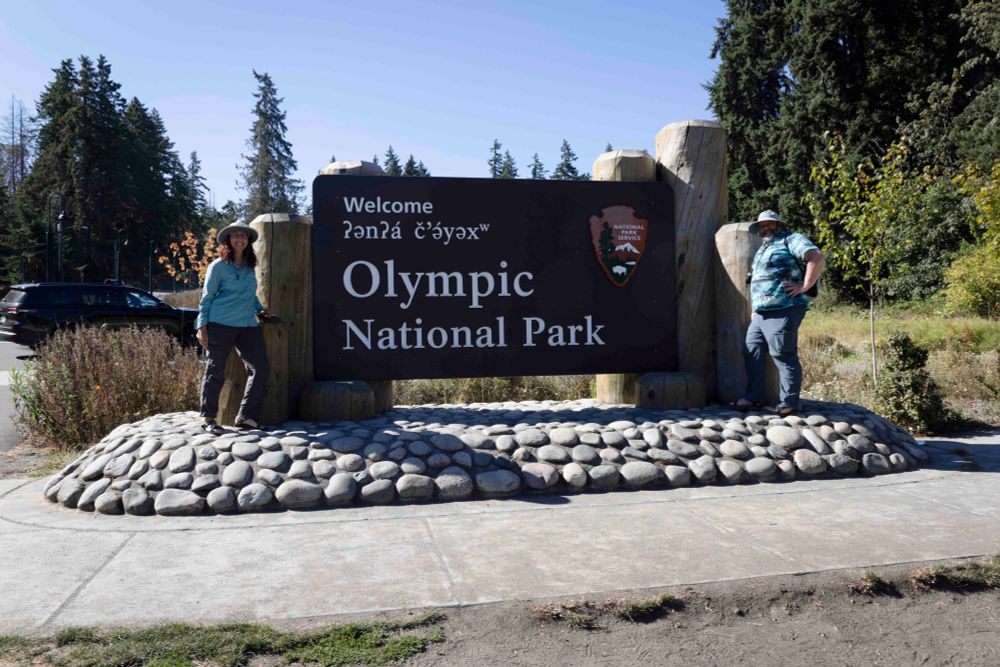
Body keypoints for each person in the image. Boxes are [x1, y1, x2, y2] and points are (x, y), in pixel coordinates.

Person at [736, 210, 824, 416]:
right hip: (761, 314)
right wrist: (756, 309)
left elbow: (816, 257)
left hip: (785, 308)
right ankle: (753, 398)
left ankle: (789, 403)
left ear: (779, 225)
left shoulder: (791, 240)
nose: (765, 227)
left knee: (783, 354)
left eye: (770, 224)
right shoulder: (763, 248)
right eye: (762, 225)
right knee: (752, 350)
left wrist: (805, 285)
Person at [196, 222, 271, 434]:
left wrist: (260, 309)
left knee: (261, 368)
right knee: (215, 370)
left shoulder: (249, 266)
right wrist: (201, 325)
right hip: (220, 324)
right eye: (235, 235)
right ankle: (209, 418)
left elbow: (249, 294)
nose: (240, 239)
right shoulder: (217, 267)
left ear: (248, 241)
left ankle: (246, 416)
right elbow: (207, 298)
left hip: (248, 324)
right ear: (228, 240)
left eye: (243, 236)